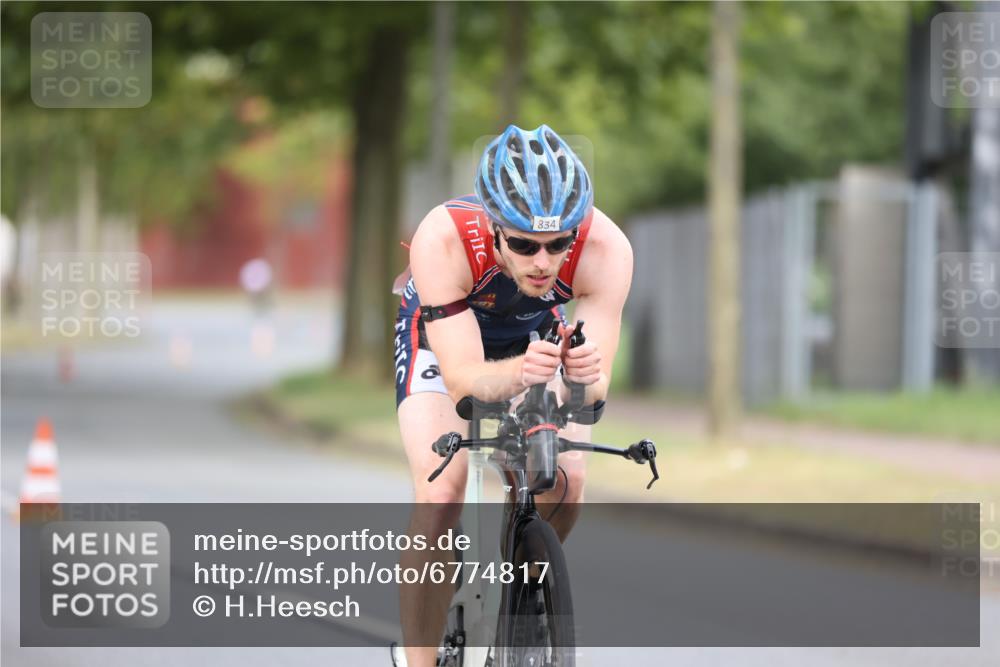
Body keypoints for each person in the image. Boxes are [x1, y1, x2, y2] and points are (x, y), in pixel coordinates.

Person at [394, 124, 633, 667]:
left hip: (532, 334)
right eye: (524, 244)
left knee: (567, 480)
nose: (543, 262)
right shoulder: (446, 237)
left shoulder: (606, 249)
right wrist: (523, 373)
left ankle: (517, 583)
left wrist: (581, 373)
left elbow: (591, 395)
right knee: (441, 493)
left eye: (558, 244)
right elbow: (463, 383)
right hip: (445, 337)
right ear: (495, 227)